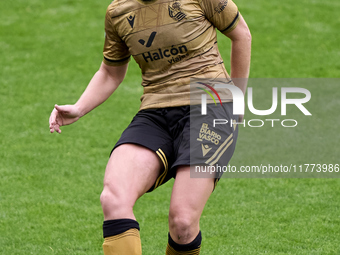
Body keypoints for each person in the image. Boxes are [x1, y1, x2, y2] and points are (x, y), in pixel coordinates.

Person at [49, 0, 251, 253]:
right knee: (114, 198)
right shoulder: (118, 11)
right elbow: (110, 72)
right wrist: (79, 108)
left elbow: (241, 34)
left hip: (209, 106)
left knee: (183, 222)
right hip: (155, 113)